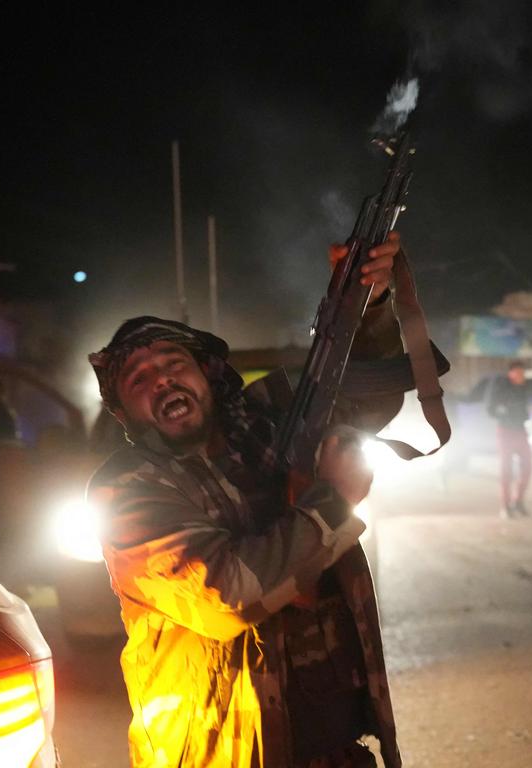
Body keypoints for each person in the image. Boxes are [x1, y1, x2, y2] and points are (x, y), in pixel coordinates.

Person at [88, 233, 445, 768]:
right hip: (224, 753)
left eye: (174, 362)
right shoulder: (128, 489)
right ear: (126, 416)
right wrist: (331, 503)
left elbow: (365, 399)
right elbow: (225, 596)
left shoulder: (271, 424)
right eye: (139, 378)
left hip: (332, 744)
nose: (162, 378)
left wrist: (364, 304)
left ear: (207, 374)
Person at [487, 361, 532, 518]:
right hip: (505, 431)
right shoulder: (500, 387)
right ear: (511, 373)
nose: (521, 376)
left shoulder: (524, 387)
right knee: (506, 470)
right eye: (518, 373)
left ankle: (517, 501)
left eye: (522, 373)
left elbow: (524, 408)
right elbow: (491, 409)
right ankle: (505, 506)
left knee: (527, 468)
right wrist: (505, 412)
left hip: (520, 430)